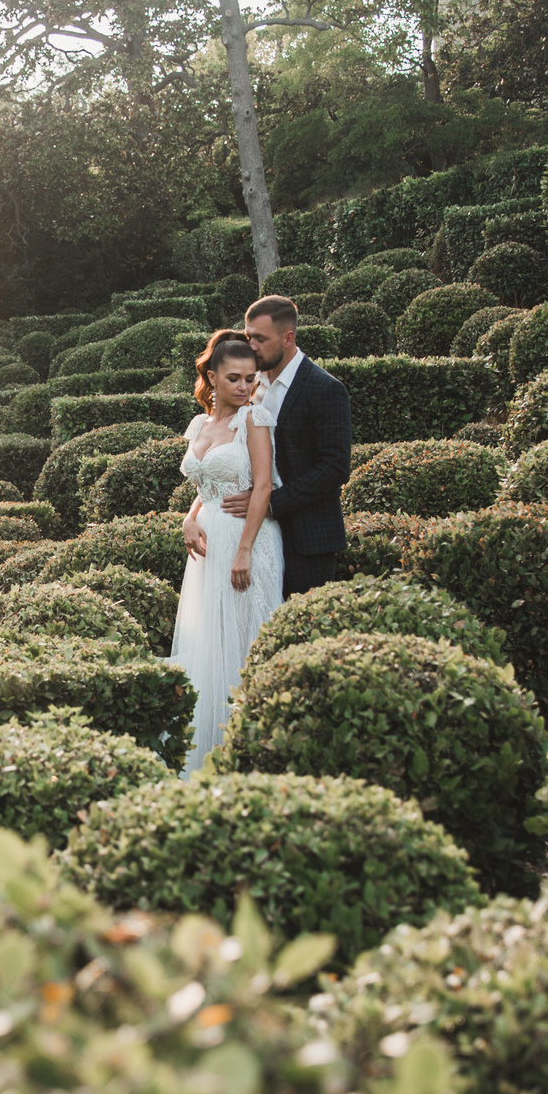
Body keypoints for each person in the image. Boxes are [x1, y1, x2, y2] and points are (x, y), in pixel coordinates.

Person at [171, 330, 285, 773]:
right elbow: (205, 486)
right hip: (206, 549)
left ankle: (251, 754)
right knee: (211, 642)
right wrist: (188, 517)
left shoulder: (254, 420)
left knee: (242, 640)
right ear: (212, 378)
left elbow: (261, 485)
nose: (244, 387)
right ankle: (210, 750)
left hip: (247, 544)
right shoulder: (201, 424)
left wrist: (243, 551)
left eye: (251, 379)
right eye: (234, 378)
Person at [212, 295, 352, 599]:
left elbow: (335, 467)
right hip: (249, 536)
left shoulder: (325, 389)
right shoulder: (249, 387)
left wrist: (271, 502)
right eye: (249, 337)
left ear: (288, 338)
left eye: (260, 339)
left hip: (307, 539)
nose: (251, 346)